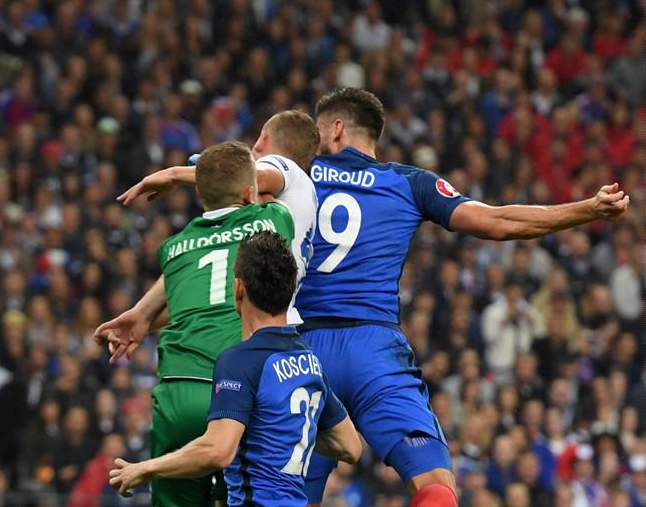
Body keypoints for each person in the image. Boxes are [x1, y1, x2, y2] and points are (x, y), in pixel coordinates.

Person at [107, 87, 629, 507]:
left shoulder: (297, 177)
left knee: (280, 494)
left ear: (334, 128)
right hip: (375, 350)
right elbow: (498, 222)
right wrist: (585, 209)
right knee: (435, 483)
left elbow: (223, 231)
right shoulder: (409, 183)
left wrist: (150, 306)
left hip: (299, 354)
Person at [101, 141, 296, 507]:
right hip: (237, 390)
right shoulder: (272, 221)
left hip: (178, 392)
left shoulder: (173, 249)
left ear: (200, 194)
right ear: (249, 192)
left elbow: (195, 294)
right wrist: (178, 175)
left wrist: (143, 314)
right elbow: (275, 185)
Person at [109, 231, 361, 506]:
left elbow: (217, 451)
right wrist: (276, 434)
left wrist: (146, 468)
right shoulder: (309, 360)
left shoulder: (240, 360)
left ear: (239, 288)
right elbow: (350, 446)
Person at [118, 110, 319, 324]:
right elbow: (204, 300)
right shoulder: (279, 210)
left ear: (262, 139)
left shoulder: (286, 170)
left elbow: (253, 177)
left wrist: (173, 174)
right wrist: (142, 319)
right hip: (264, 324)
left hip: (261, 327)